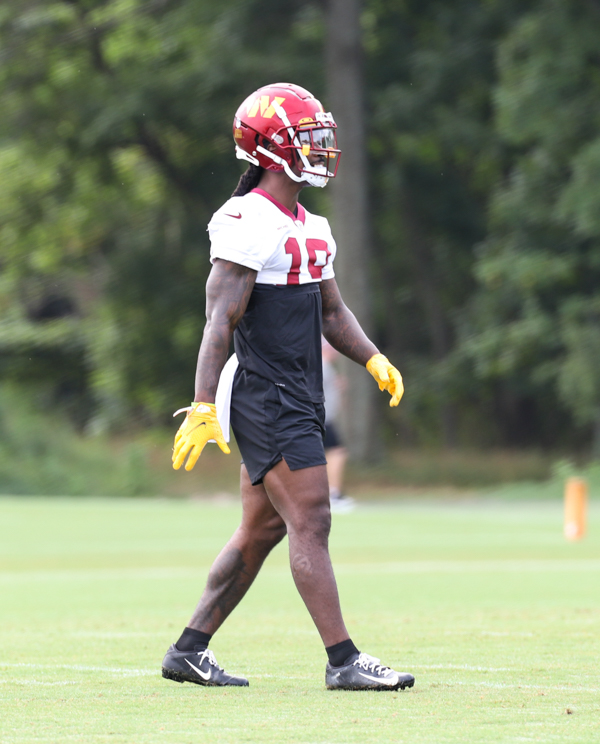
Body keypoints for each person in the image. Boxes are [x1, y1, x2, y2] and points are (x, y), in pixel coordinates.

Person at [163, 83, 412, 691]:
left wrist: (373, 358)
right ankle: (343, 660)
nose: (322, 149)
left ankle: (188, 650)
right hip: (266, 393)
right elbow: (219, 320)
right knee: (313, 518)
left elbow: (331, 312)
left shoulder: (313, 225)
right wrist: (201, 405)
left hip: (299, 392)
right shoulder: (249, 220)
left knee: (263, 529)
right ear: (272, 149)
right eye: (309, 138)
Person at [321, 338, 354, 513]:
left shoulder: (326, 368)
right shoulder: (322, 365)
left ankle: (328, 493)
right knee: (337, 452)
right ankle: (333, 493)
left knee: (329, 454)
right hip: (323, 419)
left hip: (325, 418)